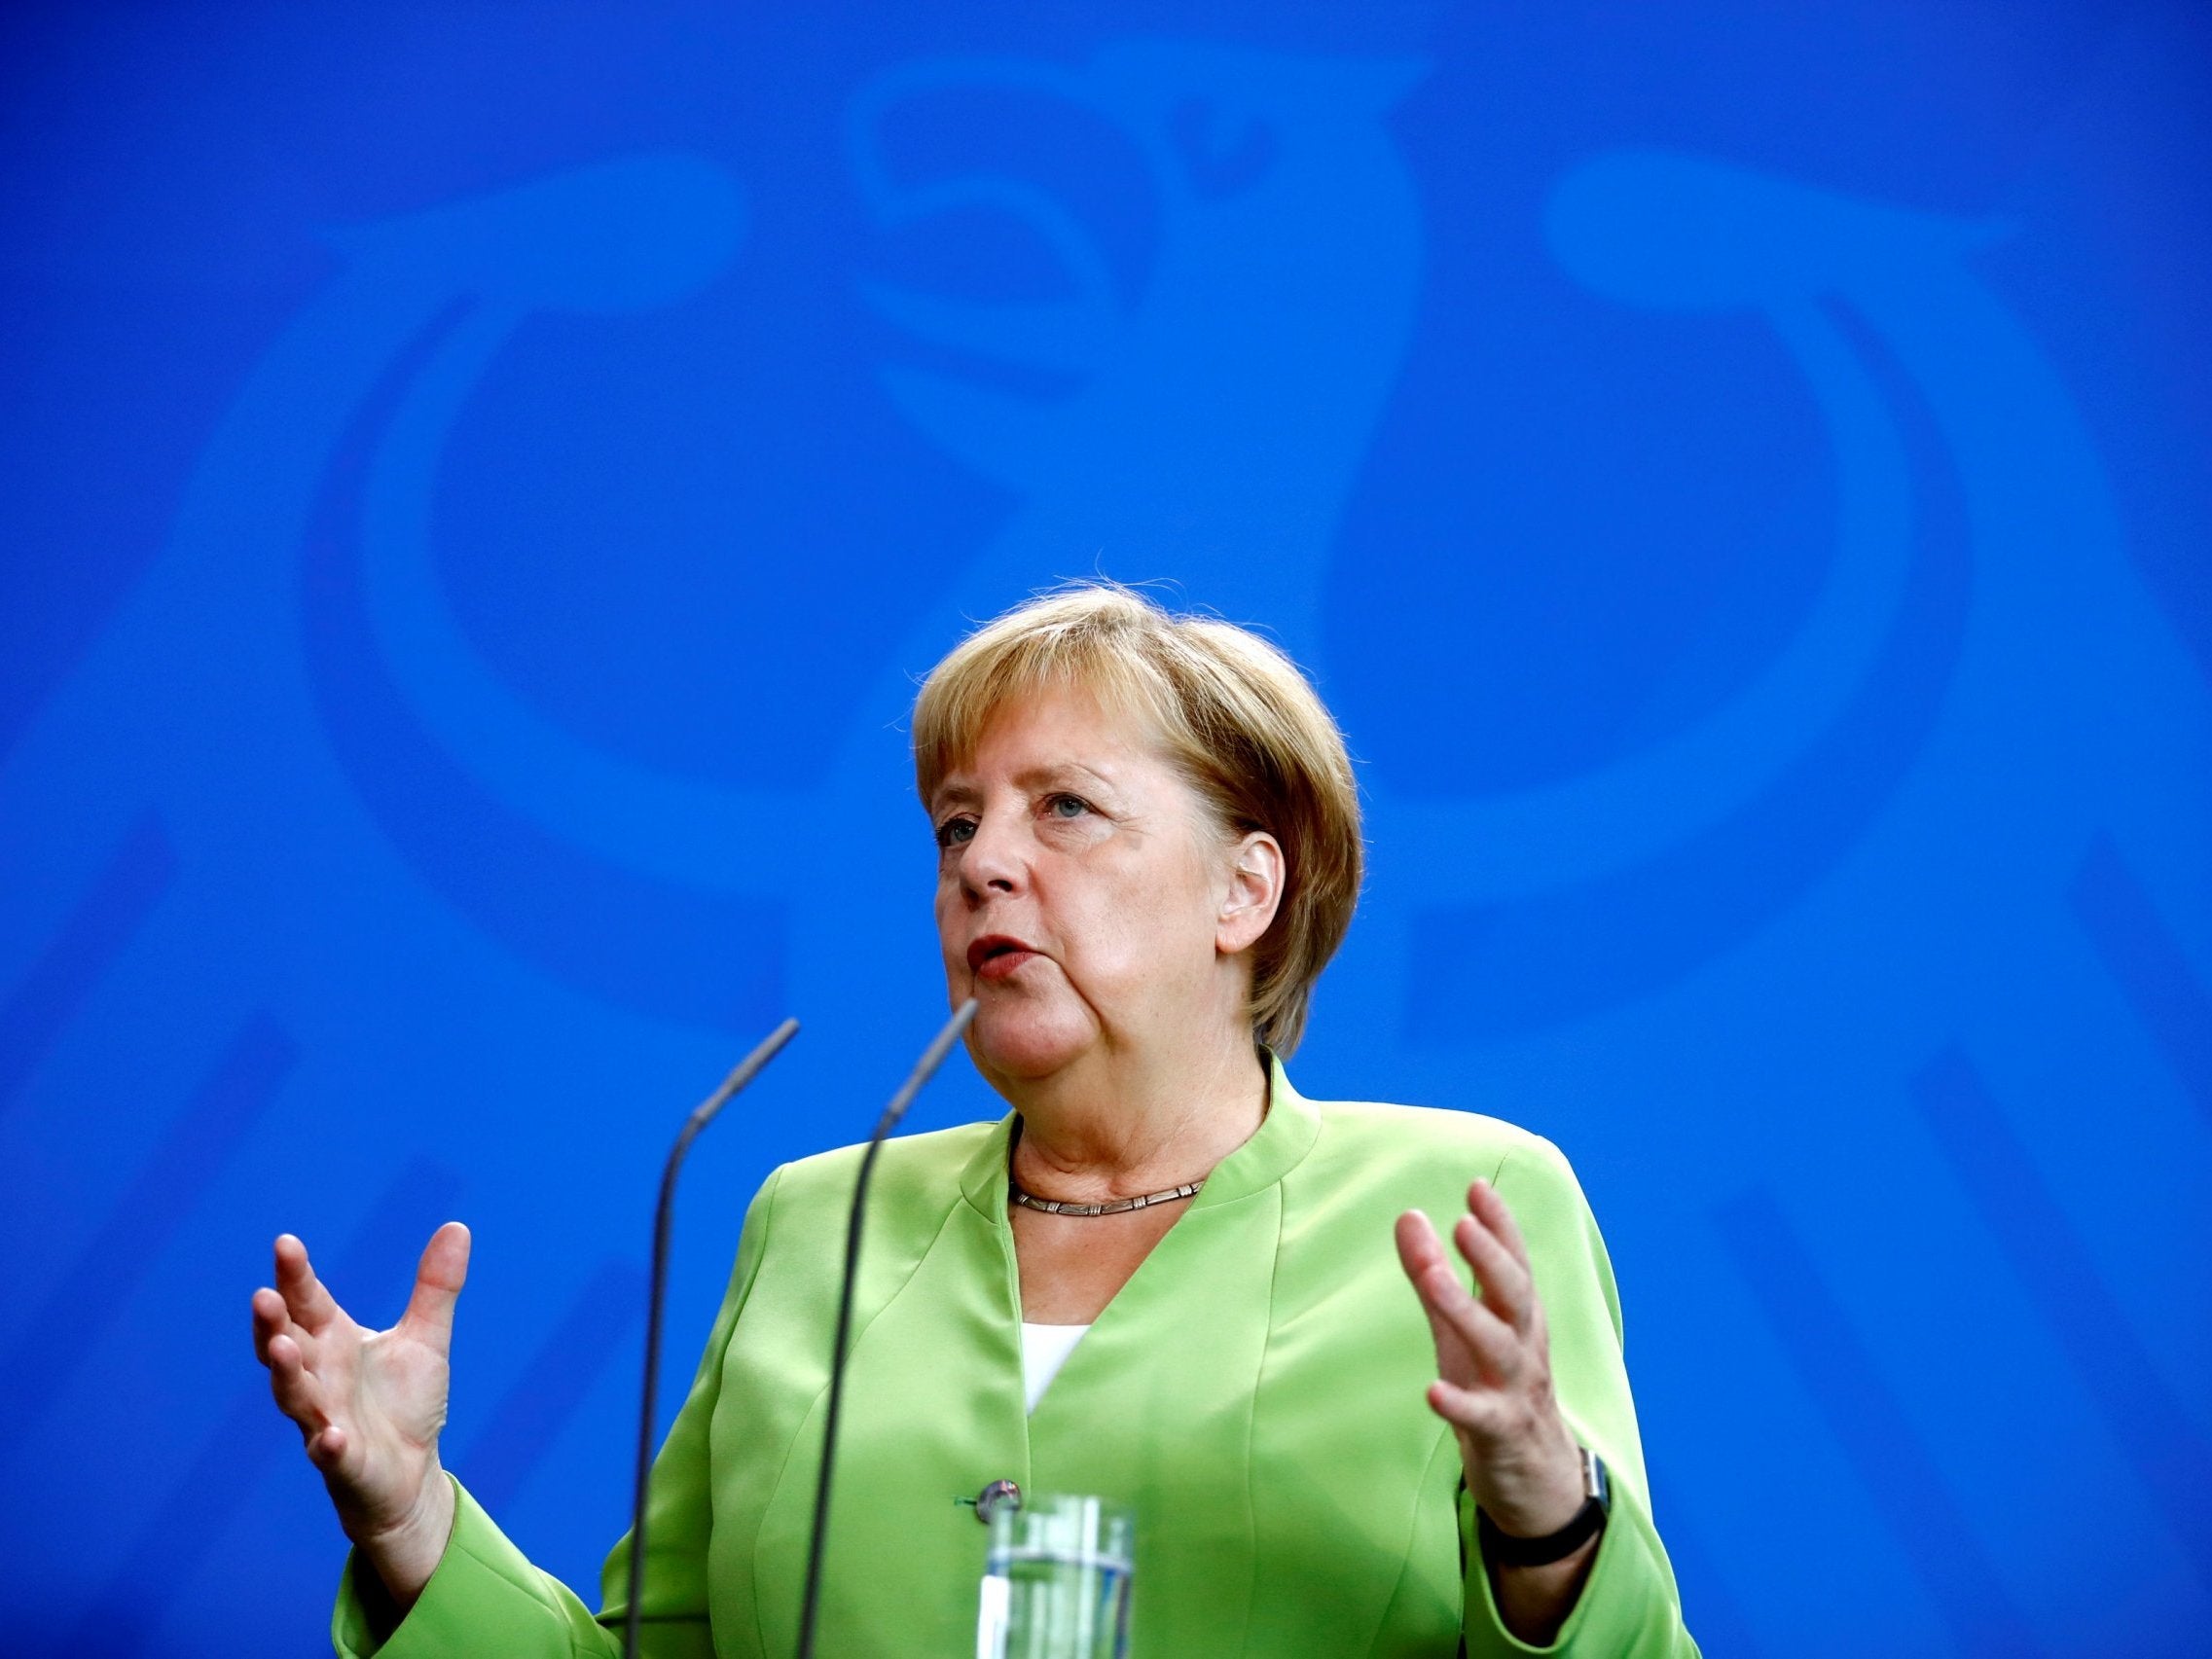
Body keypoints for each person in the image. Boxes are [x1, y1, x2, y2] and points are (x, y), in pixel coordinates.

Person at [252, 583, 1700, 1656]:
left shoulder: (1460, 1205)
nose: (983, 863)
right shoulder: (815, 1220)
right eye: (956, 823)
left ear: (1243, 891)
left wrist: (1543, 1514)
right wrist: (407, 1516)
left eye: (1063, 808)